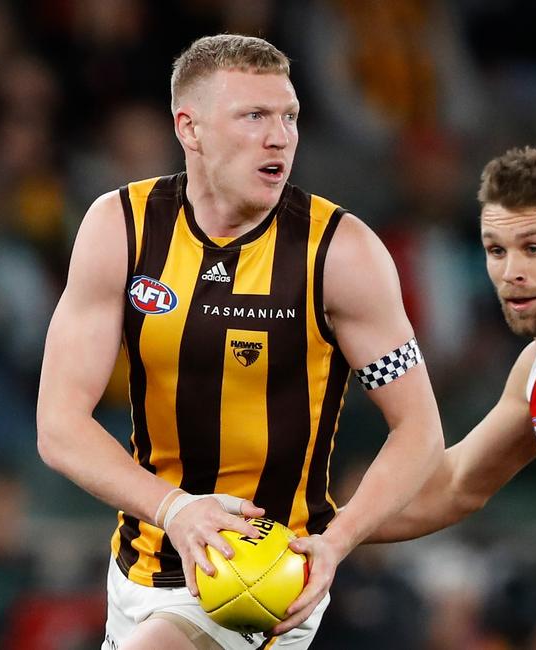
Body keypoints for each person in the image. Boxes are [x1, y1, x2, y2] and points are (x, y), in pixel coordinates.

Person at [36, 34, 443, 650]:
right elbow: (59, 426)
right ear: (189, 128)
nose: (279, 136)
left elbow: (419, 430)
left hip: (261, 578)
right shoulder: (120, 227)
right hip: (140, 564)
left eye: (290, 117)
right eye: (254, 116)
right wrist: (176, 511)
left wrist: (335, 542)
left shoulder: (341, 253)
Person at [371, 144, 536, 649]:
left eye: (533, 248)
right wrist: (313, 528)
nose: (511, 271)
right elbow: (455, 485)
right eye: (497, 250)